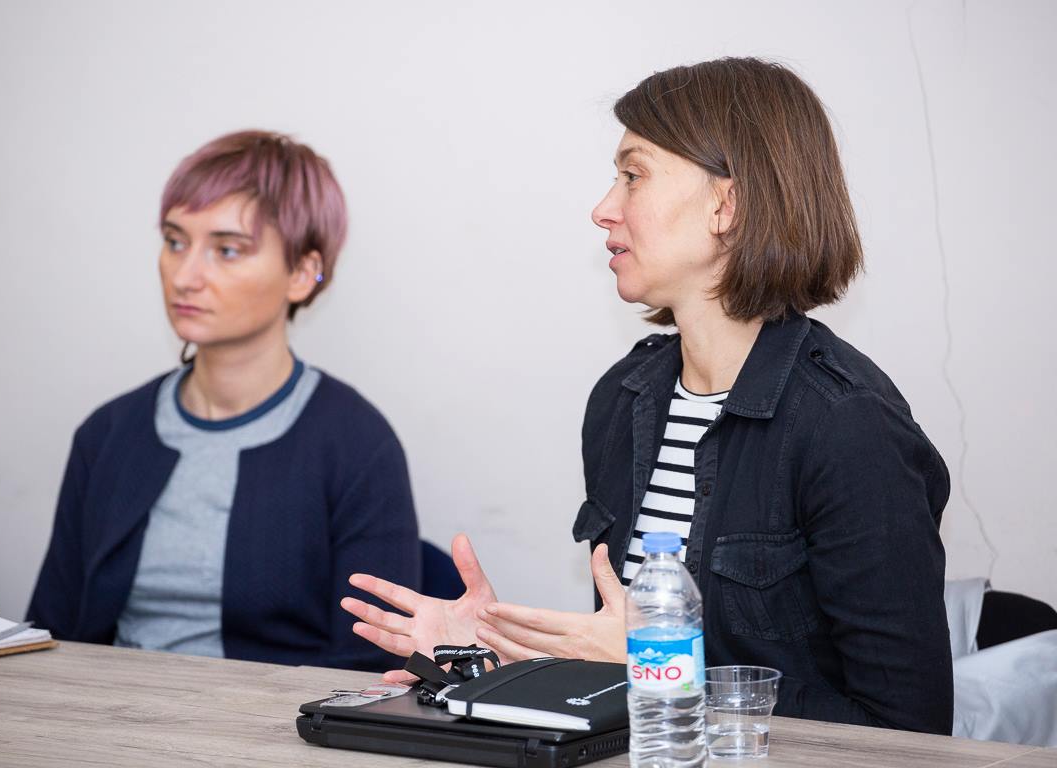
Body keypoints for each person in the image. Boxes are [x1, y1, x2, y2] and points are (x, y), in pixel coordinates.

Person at [342, 58, 954, 732]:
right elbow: (624, 676)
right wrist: (495, 653)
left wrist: (660, 667)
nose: (603, 208)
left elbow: (910, 730)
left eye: (633, 176)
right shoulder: (623, 399)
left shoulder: (849, 427)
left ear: (727, 205)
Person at [28, 131, 420, 671]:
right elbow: (49, 636)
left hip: (277, 722)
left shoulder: (357, 445)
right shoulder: (108, 434)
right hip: (107, 714)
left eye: (227, 250)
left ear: (302, 274)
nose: (185, 277)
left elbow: (372, 670)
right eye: (175, 242)